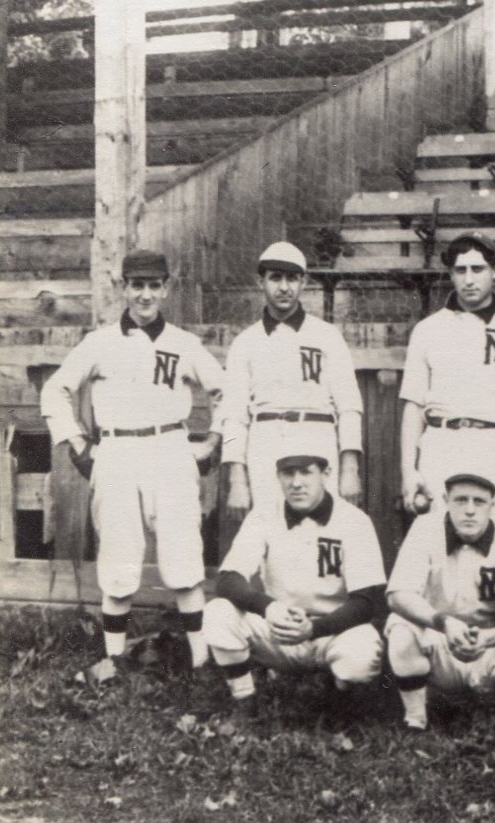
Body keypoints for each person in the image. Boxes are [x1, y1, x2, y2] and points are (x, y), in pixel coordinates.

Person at [40, 250, 224, 680]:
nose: (145, 295)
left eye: (153, 285)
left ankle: (201, 662)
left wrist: (214, 440)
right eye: (137, 285)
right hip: (117, 452)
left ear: (166, 288)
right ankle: (115, 660)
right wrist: (76, 442)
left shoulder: (183, 343)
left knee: (183, 557)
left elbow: (225, 391)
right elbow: (55, 390)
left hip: (170, 448)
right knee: (119, 560)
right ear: (123, 288)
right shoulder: (100, 342)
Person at [203, 454, 387, 719]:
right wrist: (269, 607)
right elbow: (228, 578)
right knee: (218, 612)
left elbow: (367, 602)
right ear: (278, 477)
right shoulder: (264, 515)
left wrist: (315, 629)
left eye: (306, 472)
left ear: (326, 474)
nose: (296, 483)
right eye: (288, 473)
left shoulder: (354, 520)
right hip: (279, 626)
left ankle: (339, 701)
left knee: (361, 653)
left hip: (331, 630)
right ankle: (245, 701)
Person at [399, 232, 495, 536]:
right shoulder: (428, 330)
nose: (469, 279)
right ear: (451, 274)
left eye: (478, 269)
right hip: (441, 443)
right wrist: (408, 471)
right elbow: (413, 407)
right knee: (434, 537)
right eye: (460, 270)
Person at [384, 474, 495, 732]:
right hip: (439, 639)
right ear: (446, 501)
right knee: (401, 630)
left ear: (492, 505)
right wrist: (444, 623)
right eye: (461, 500)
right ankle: (416, 719)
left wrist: (487, 638)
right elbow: (398, 594)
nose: (470, 510)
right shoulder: (425, 530)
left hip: (489, 646)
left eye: (479, 502)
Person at [221, 241, 364, 521]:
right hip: (265, 444)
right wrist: (237, 480)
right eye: (275, 278)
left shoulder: (327, 336)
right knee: (269, 528)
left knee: (322, 529)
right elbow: (234, 417)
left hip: (317, 439)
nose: (284, 287)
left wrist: (350, 470)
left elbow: (349, 407)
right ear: (260, 282)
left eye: (292, 278)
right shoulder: (245, 342)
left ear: (304, 282)